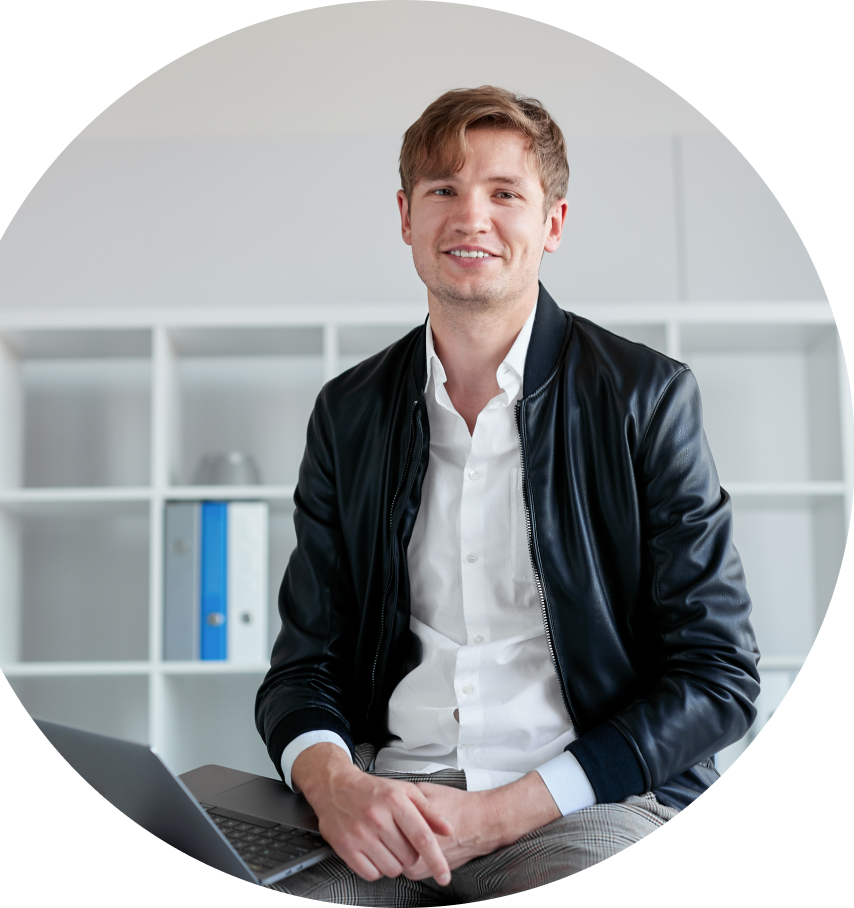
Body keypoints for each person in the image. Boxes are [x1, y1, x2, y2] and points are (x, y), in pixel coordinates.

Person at [255, 85, 760, 901]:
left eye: (503, 193)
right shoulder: (347, 413)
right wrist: (333, 783)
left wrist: (502, 813)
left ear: (552, 223)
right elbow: (303, 667)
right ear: (405, 216)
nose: (470, 218)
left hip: (579, 803)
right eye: (443, 190)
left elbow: (717, 676)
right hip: (388, 803)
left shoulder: (645, 396)